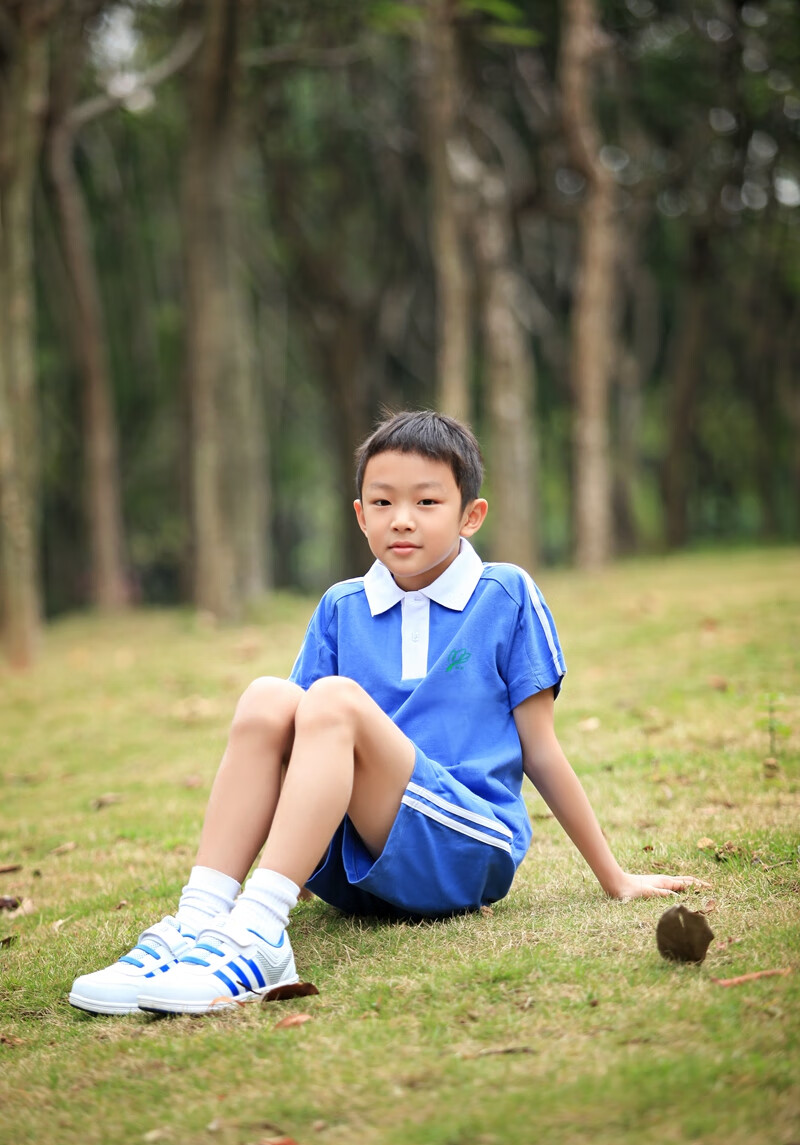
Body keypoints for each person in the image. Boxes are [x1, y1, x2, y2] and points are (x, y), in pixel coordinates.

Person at [69, 410, 706, 1017]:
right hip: (357, 867)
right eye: (383, 502)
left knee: (335, 700)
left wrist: (613, 876)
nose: (402, 519)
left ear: (470, 515)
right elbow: (293, 748)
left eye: (427, 502)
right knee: (269, 697)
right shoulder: (342, 606)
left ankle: (259, 932)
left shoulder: (506, 594)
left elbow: (540, 749)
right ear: (359, 516)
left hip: (464, 844)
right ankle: (202, 920)